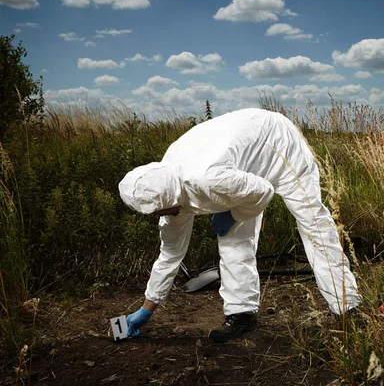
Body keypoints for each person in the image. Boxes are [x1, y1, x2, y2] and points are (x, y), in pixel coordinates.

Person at [118, 108, 361, 343]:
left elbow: (263, 191)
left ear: (169, 200)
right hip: (236, 163)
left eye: (157, 212)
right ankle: (241, 314)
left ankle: (347, 307)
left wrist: (233, 215)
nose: (156, 216)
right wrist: (146, 309)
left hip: (277, 142)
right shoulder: (164, 188)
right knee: (233, 239)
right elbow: (170, 254)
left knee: (312, 224)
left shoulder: (207, 179)